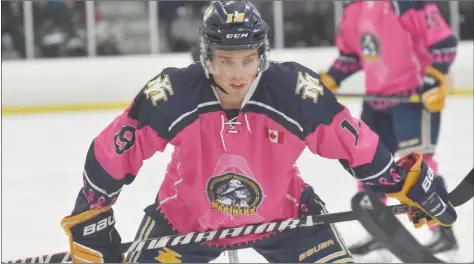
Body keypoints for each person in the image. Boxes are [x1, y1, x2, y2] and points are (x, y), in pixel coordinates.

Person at [60, 1, 457, 263]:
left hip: (285, 218)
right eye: (225, 60)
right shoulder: (174, 94)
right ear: (206, 57)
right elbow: (116, 149)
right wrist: (89, 214)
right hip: (184, 221)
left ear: (262, 55)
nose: (237, 73)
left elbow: (356, 144)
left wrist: (402, 182)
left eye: (248, 59)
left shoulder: (293, 92)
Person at [318, 0, 459, 259]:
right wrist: (330, 79)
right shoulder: (352, 10)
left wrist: (436, 77)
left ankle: (443, 234)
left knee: (420, 166)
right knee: (366, 163)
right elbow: (352, 55)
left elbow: (444, 42)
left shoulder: (407, 3)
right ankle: (379, 230)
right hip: (376, 102)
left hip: (413, 99)